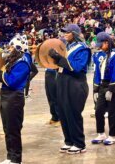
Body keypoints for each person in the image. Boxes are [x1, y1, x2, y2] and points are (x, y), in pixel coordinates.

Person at [0, 34, 32, 164]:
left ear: (19, 47)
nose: (10, 48)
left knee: (13, 129)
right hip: (6, 95)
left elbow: (11, 81)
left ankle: (16, 159)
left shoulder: (23, 61)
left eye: (12, 46)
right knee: (7, 128)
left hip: (14, 97)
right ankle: (10, 157)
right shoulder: (15, 59)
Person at [48, 24, 91, 154]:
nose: (65, 34)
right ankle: (69, 141)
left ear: (75, 33)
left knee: (73, 113)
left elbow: (77, 67)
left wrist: (59, 58)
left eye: (67, 32)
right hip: (63, 81)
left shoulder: (83, 48)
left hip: (75, 83)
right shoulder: (67, 46)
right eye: (64, 32)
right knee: (63, 113)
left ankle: (79, 143)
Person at [91, 32, 115, 145]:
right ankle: (101, 133)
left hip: (113, 85)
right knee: (98, 111)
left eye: (101, 44)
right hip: (102, 85)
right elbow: (97, 73)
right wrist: (95, 89)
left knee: (113, 112)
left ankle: (113, 135)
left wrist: (111, 89)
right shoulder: (98, 55)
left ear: (107, 42)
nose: (99, 46)